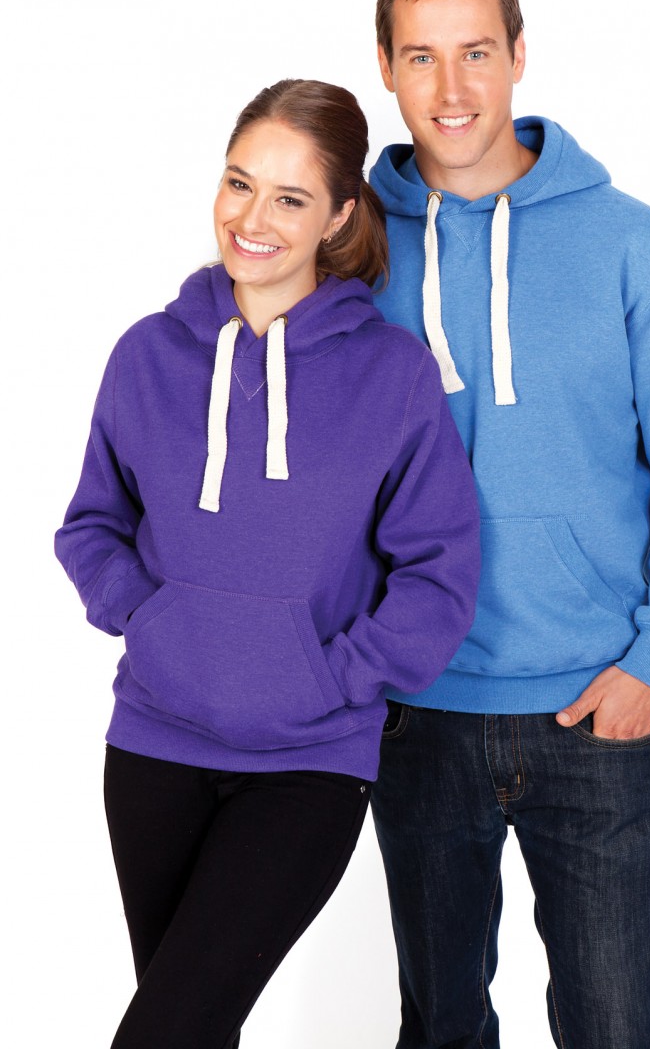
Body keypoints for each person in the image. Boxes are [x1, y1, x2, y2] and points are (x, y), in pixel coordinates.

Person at [368, 0, 650, 1049]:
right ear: (386, 68)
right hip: (416, 713)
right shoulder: (353, 250)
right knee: (439, 1028)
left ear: (519, 55)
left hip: (596, 705)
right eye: (421, 57)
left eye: (476, 52)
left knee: (616, 1029)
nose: (452, 87)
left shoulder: (629, 243)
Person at [54, 78, 480, 1049]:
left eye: (290, 198)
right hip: (155, 747)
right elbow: (91, 525)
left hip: (307, 761)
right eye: (239, 183)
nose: (252, 220)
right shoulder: (148, 355)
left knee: (164, 1031)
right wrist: (152, 626)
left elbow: (438, 571)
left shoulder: (391, 374)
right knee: (191, 1028)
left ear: (338, 216)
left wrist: (333, 675)